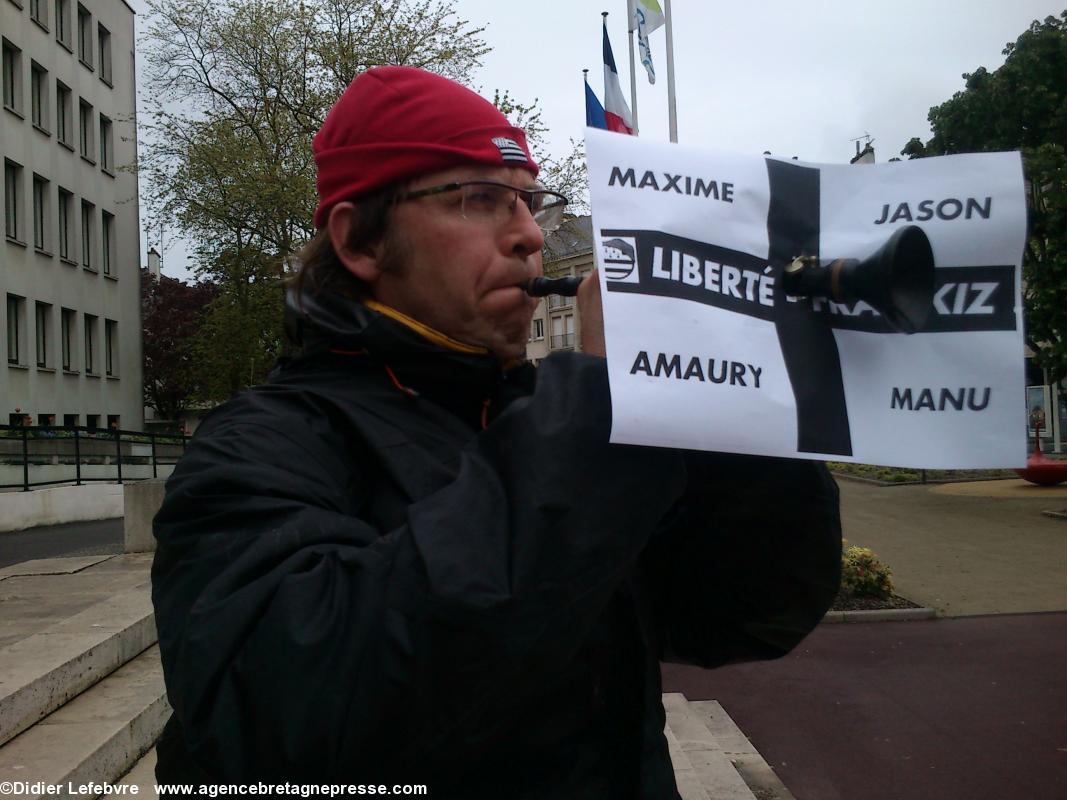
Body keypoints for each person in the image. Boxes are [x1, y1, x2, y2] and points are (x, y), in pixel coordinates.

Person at [151, 66, 842, 799]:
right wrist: (598, 404)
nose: (530, 235)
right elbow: (292, 722)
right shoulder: (260, 444)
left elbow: (743, 617)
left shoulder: (545, 417)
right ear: (360, 243)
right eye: (480, 199)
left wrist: (736, 402)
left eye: (529, 200)